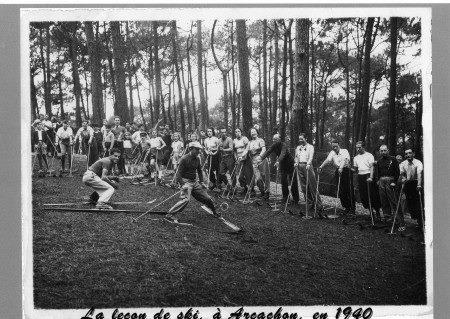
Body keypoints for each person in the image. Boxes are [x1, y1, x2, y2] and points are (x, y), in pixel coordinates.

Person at [165, 142, 219, 223]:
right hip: (186, 182)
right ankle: (169, 215)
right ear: (191, 149)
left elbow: (200, 171)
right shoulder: (184, 158)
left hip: (195, 182)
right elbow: (178, 173)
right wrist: (182, 184)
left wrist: (201, 182)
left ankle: (215, 211)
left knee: (207, 197)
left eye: (199, 150)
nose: (198, 151)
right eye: (196, 149)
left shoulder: (197, 158)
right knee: (186, 199)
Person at [259, 133, 299, 205]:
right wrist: (261, 158)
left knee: (293, 180)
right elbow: (268, 152)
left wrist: (278, 161)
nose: (274, 140)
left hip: (290, 164)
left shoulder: (284, 145)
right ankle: (285, 197)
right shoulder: (274, 145)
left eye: (275, 139)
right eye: (273, 139)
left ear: (279, 139)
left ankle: (296, 199)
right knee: (283, 180)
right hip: (282, 164)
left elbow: (282, 154)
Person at [318, 140, 355, 214]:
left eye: (336, 146)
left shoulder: (344, 151)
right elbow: (327, 160)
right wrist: (321, 166)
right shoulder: (332, 152)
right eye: (333, 146)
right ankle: (346, 207)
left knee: (349, 190)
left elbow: (345, 159)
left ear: (339, 145)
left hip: (346, 170)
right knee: (341, 190)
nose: (334, 148)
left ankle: (353, 209)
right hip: (338, 171)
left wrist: (341, 167)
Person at [294, 133, 324, 214]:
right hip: (299, 166)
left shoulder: (310, 147)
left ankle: (319, 205)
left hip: (307, 166)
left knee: (312, 185)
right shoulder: (298, 148)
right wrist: (296, 162)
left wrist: (308, 163)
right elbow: (296, 157)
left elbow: (311, 156)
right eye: (299, 139)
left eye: (302, 139)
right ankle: (310, 203)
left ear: (306, 139)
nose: (300, 140)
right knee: (304, 186)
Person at [354, 141, 382, 221]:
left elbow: (372, 167)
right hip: (361, 176)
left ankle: (377, 213)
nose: (358, 149)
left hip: (368, 175)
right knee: (364, 195)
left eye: (360, 147)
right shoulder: (356, 157)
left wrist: (371, 177)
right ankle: (371, 213)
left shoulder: (369, 155)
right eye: (357, 148)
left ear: (363, 147)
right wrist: (349, 167)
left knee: (373, 194)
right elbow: (355, 170)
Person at [372, 144, 399, 222]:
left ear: (388, 150)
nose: (383, 152)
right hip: (381, 181)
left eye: (385, 150)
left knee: (392, 199)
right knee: (383, 199)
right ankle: (387, 216)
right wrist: (378, 180)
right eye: (381, 151)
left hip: (390, 180)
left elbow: (397, 172)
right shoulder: (379, 161)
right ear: (380, 152)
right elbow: (378, 172)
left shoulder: (393, 159)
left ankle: (396, 217)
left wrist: (394, 181)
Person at [399, 149, 424, 230]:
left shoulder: (418, 162)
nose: (408, 155)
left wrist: (419, 185)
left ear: (413, 154)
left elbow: (419, 174)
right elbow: (402, 174)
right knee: (410, 203)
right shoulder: (403, 163)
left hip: (416, 183)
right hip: (408, 184)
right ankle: (417, 220)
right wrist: (403, 178)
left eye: (410, 153)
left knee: (418, 203)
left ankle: (421, 222)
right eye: (406, 154)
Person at [248, 128, 270, 199]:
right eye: (252, 132)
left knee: (264, 176)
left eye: (254, 131)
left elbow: (264, 149)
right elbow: (248, 151)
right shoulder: (250, 142)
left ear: (257, 132)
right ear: (250, 134)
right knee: (258, 178)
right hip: (254, 160)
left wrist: (260, 157)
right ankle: (262, 191)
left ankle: (267, 192)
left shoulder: (260, 140)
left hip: (262, 159)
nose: (253, 133)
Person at [233, 127, 252, 194]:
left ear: (241, 132)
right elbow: (234, 151)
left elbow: (247, 148)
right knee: (240, 176)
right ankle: (245, 187)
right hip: (239, 159)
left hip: (246, 159)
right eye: (236, 132)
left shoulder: (244, 139)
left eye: (238, 131)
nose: (237, 133)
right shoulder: (234, 140)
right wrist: (236, 158)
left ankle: (252, 190)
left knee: (248, 175)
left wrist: (244, 156)